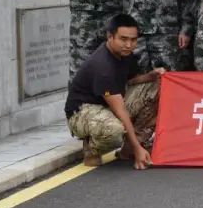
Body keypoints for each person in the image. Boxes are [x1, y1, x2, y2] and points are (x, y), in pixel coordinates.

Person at [64, 14, 163, 169]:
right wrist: (137, 149)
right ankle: (92, 148)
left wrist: (151, 76)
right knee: (114, 131)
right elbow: (120, 110)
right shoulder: (103, 67)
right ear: (110, 37)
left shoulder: (125, 54)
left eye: (133, 40)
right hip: (82, 112)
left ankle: (129, 149)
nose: (129, 45)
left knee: (156, 87)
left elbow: (131, 80)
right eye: (123, 39)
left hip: (109, 104)